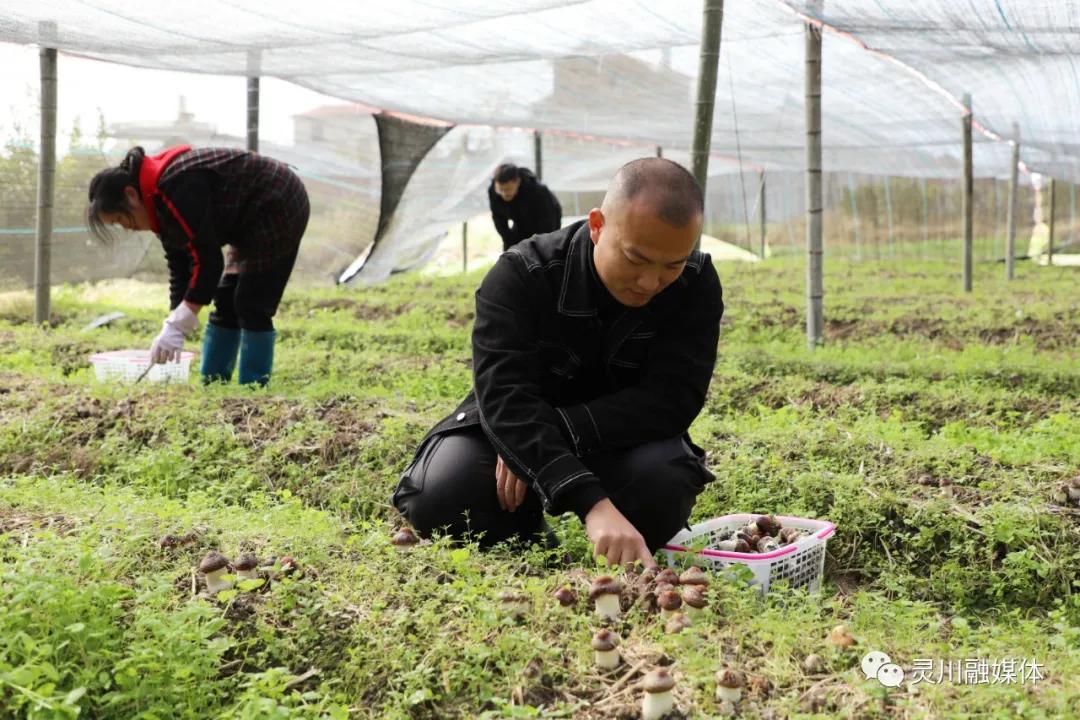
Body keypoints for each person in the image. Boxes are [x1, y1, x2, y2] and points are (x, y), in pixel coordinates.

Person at [394, 157, 723, 567]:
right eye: (636, 259)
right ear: (598, 224)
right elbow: (506, 397)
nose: (650, 283)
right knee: (438, 495)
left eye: (671, 265)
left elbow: (673, 400)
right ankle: (526, 531)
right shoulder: (522, 275)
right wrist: (589, 501)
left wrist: (552, 432)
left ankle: (611, 527)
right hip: (516, 422)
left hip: (620, 436)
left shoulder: (696, 284)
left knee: (664, 482)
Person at [87, 145, 309, 386]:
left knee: (251, 303)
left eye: (120, 219)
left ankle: (253, 390)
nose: (126, 227)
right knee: (226, 300)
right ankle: (213, 384)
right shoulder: (156, 201)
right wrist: (174, 319)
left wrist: (180, 321)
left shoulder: (176, 188)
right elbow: (180, 262)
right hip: (248, 217)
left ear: (131, 195)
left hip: (277, 201)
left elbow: (208, 262)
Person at [488, 163, 563, 251]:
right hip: (519, 219)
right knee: (511, 249)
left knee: (544, 248)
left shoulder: (537, 190)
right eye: (501, 190)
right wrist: (508, 242)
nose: (504, 194)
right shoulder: (493, 191)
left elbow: (547, 223)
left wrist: (541, 246)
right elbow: (498, 219)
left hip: (547, 215)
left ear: (518, 182)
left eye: (508, 189)